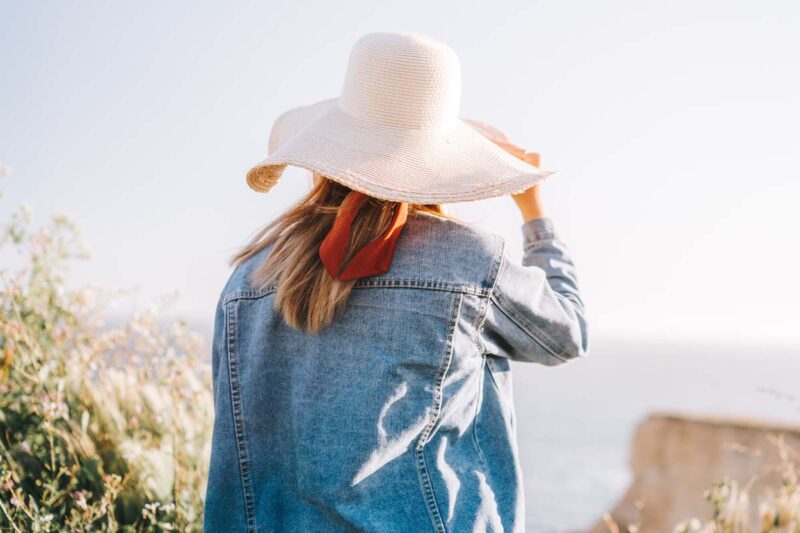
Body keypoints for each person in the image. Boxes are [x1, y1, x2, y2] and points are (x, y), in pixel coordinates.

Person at [204, 31, 588, 533]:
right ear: (439, 164)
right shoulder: (467, 263)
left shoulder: (247, 279)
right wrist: (535, 215)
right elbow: (566, 334)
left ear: (330, 154)